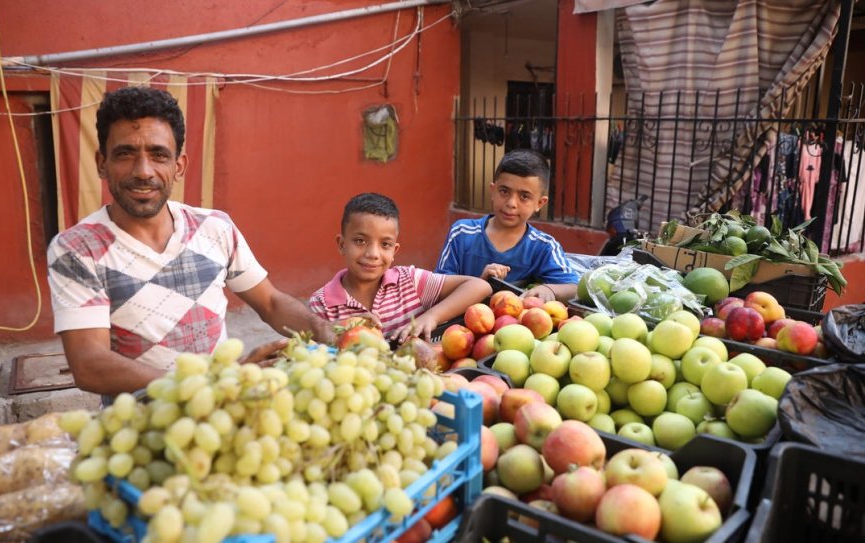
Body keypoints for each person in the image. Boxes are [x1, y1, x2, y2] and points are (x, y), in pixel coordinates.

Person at [47, 86, 334, 397]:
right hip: (140, 431)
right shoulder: (76, 250)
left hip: (222, 412)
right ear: (102, 163)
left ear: (178, 166)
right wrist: (208, 381)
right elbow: (90, 364)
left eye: (158, 155)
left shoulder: (215, 228)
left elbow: (270, 302)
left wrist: (322, 330)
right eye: (126, 154)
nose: (144, 171)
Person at [309, 193, 491, 343]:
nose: (373, 253)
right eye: (360, 241)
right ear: (342, 244)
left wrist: (431, 317)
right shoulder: (321, 305)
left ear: (395, 250)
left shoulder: (409, 281)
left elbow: (479, 286)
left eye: (385, 244)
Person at [434, 149, 579, 302]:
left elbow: (573, 287)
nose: (511, 203)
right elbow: (437, 287)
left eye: (524, 196)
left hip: (517, 323)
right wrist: (479, 283)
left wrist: (548, 288)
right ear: (493, 190)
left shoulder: (544, 246)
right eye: (504, 191)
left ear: (540, 203)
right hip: (458, 322)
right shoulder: (462, 233)